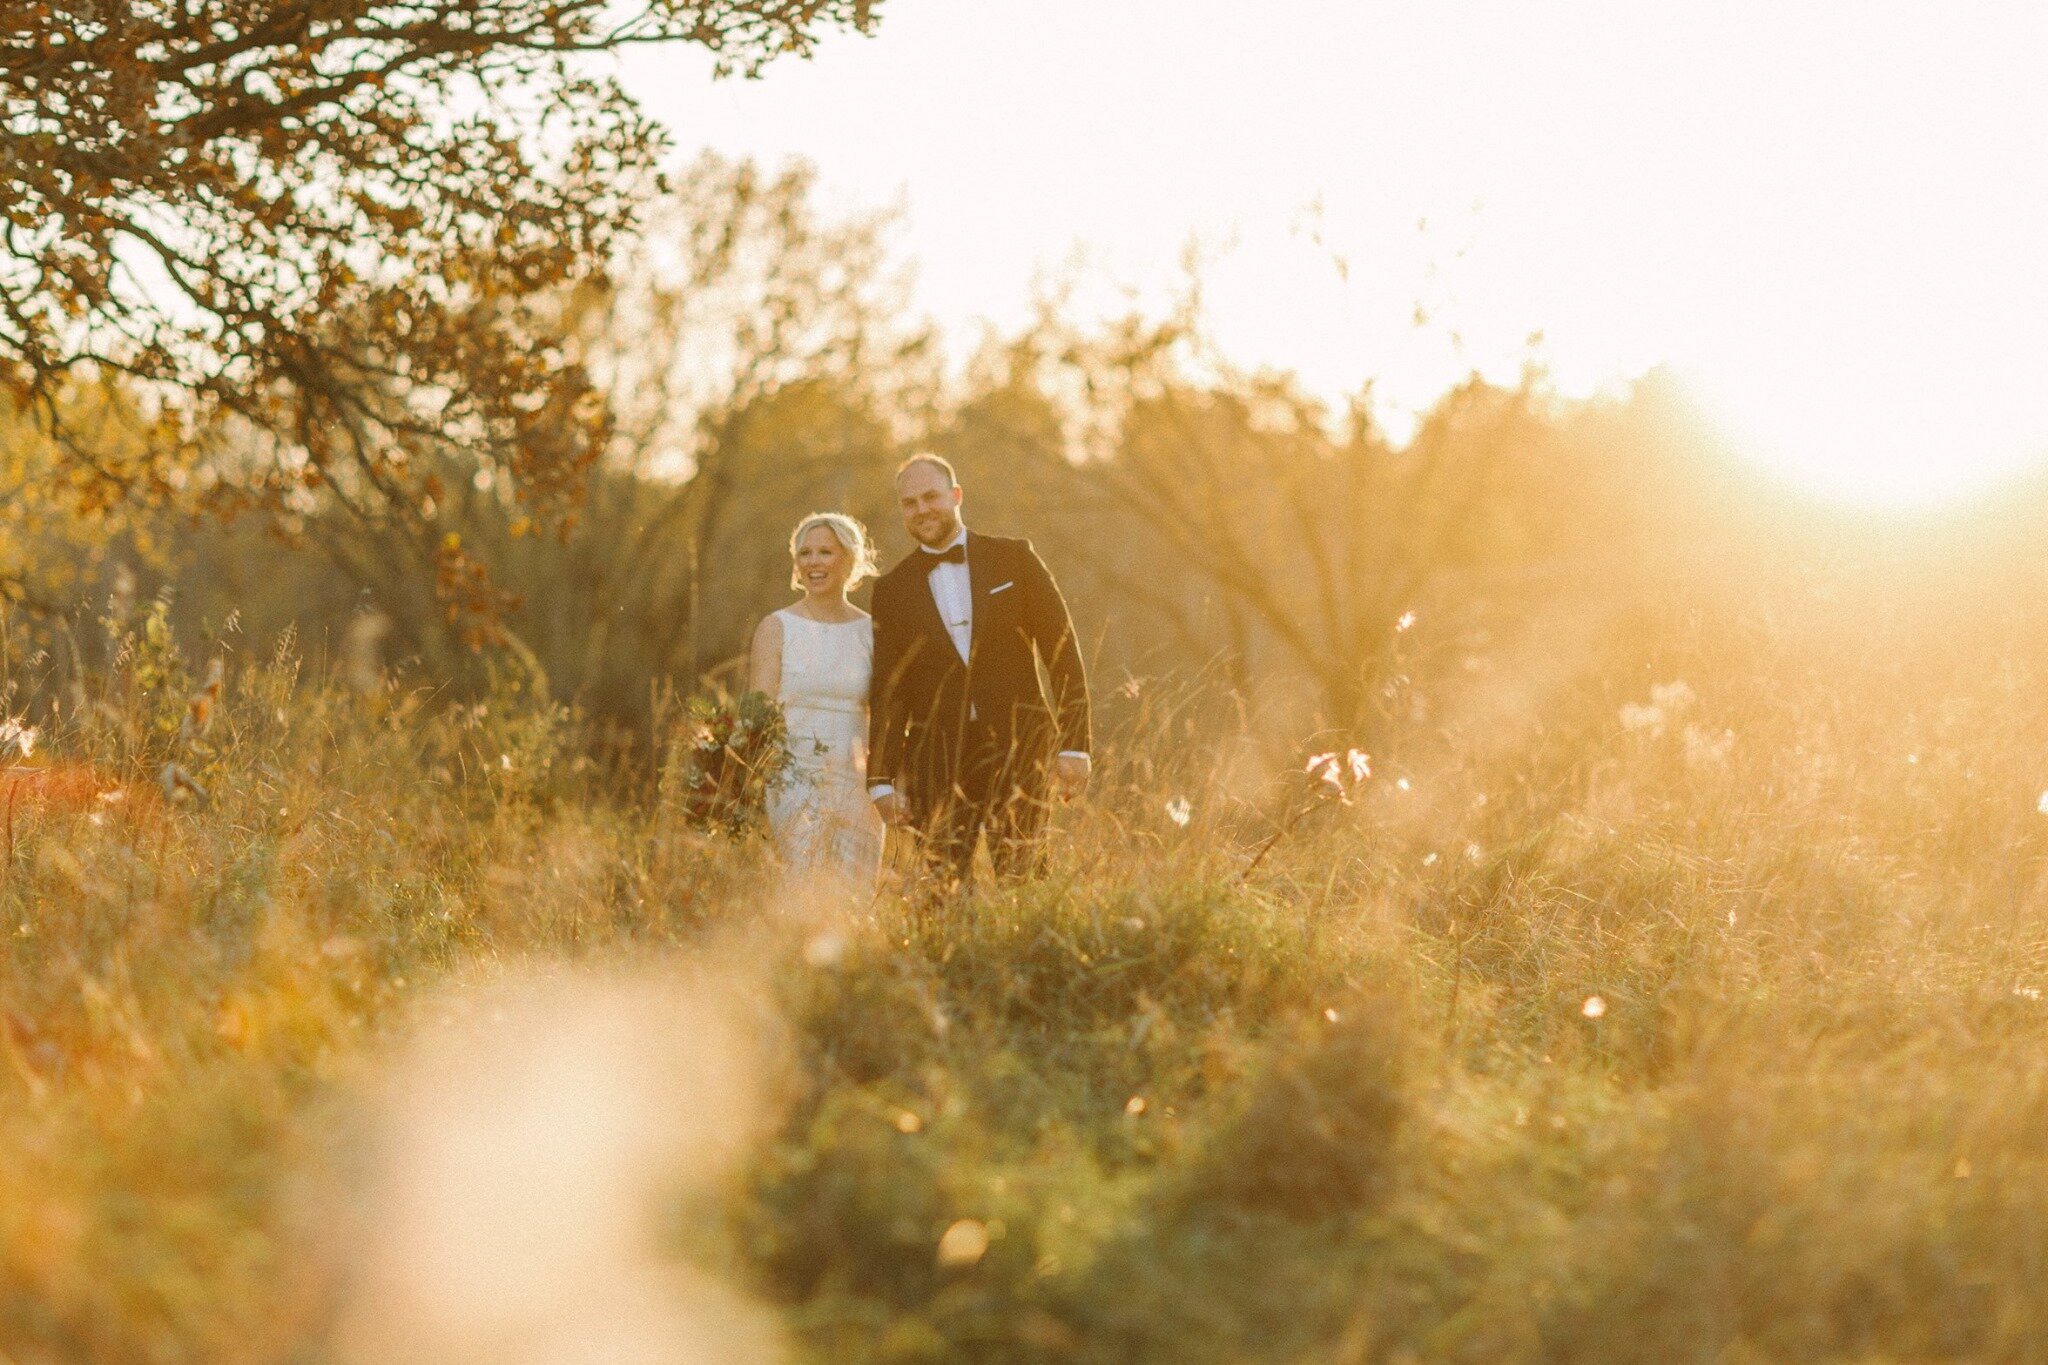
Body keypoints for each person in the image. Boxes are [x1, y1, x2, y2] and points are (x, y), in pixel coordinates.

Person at [866, 454, 1091, 887]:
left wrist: (1075, 744)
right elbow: (888, 690)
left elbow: (1061, 650)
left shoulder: (1014, 559)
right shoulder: (892, 590)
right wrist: (880, 779)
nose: (922, 509)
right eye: (909, 503)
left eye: (930, 496)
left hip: (1019, 744)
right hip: (936, 759)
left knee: (1025, 879)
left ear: (956, 495)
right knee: (941, 889)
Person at [749, 512, 886, 890]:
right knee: (806, 884)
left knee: (855, 893)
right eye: (804, 553)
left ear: (849, 560)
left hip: (857, 784)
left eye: (825, 552)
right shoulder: (776, 628)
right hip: (793, 777)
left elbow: (884, 713)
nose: (813, 562)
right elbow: (759, 714)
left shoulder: (871, 632)